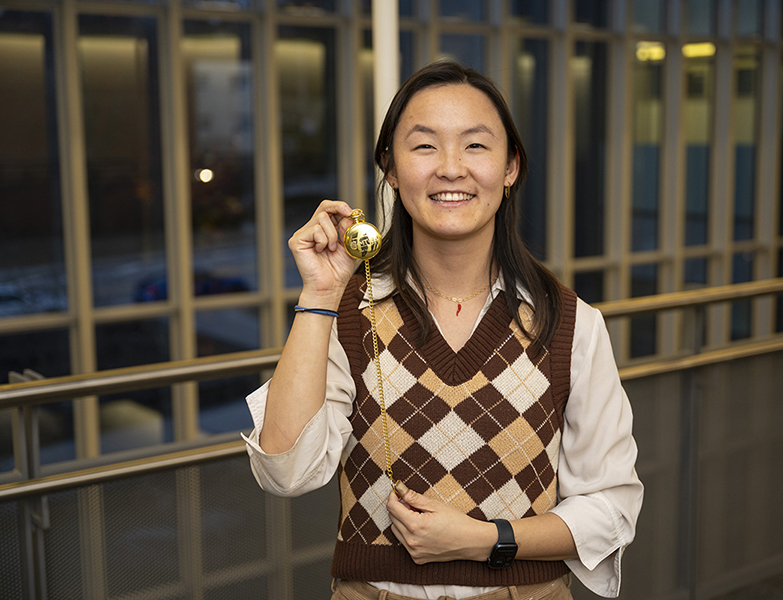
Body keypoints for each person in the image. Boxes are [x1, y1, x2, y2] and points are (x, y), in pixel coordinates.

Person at [244, 60, 643, 600]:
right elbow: (285, 472)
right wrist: (318, 295)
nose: (451, 168)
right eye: (425, 145)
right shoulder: (347, 311)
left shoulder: (570, 323)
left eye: (476, 146)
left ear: (511, 168)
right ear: (390, 168)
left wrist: (487, 540)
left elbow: (611, 507)